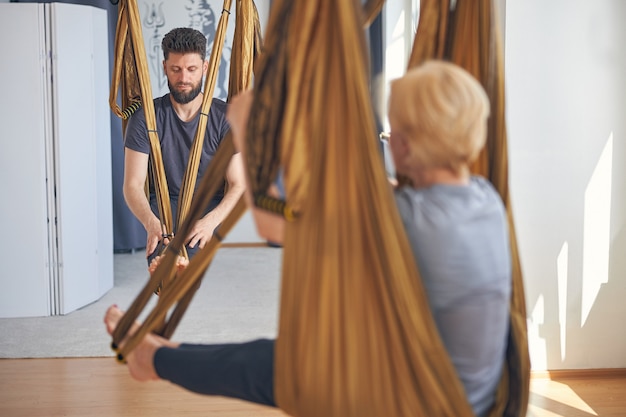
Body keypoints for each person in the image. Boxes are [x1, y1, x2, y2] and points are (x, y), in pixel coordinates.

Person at [105, 60, 511, 417]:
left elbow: (273, 221)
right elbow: (382, 191)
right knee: (293, 355)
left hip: (410, 404)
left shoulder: (406, 219)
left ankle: (155, 360)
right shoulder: (483, 197)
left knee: (283, 365)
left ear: (404, 144)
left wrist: (246, 130)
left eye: (390, 133)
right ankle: (167, 355)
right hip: (467, 396)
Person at [123, 27, 246, 263]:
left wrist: (210, 222)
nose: (184, 79)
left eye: (191, 70)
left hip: (207, 203)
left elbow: (237, 183)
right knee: (164, 271)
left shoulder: (225, 117)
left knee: (185, 269)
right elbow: (133, 184)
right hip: (163, 201)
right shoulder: (145, 117)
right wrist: (150, 222)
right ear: (164, 68)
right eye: (175, 70)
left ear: (205, 67)